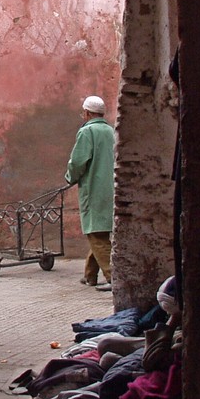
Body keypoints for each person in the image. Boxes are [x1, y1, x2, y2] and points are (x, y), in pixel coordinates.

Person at [64, 94, 115, 290]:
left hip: (94, 190)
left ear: (86, 113)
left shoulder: (87, 132)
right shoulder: (110, 131)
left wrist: (70, 177)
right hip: (110, 189)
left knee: (96, 234)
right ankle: (90, 275)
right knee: (99, 232)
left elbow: (78, 161)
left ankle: (113, 277)